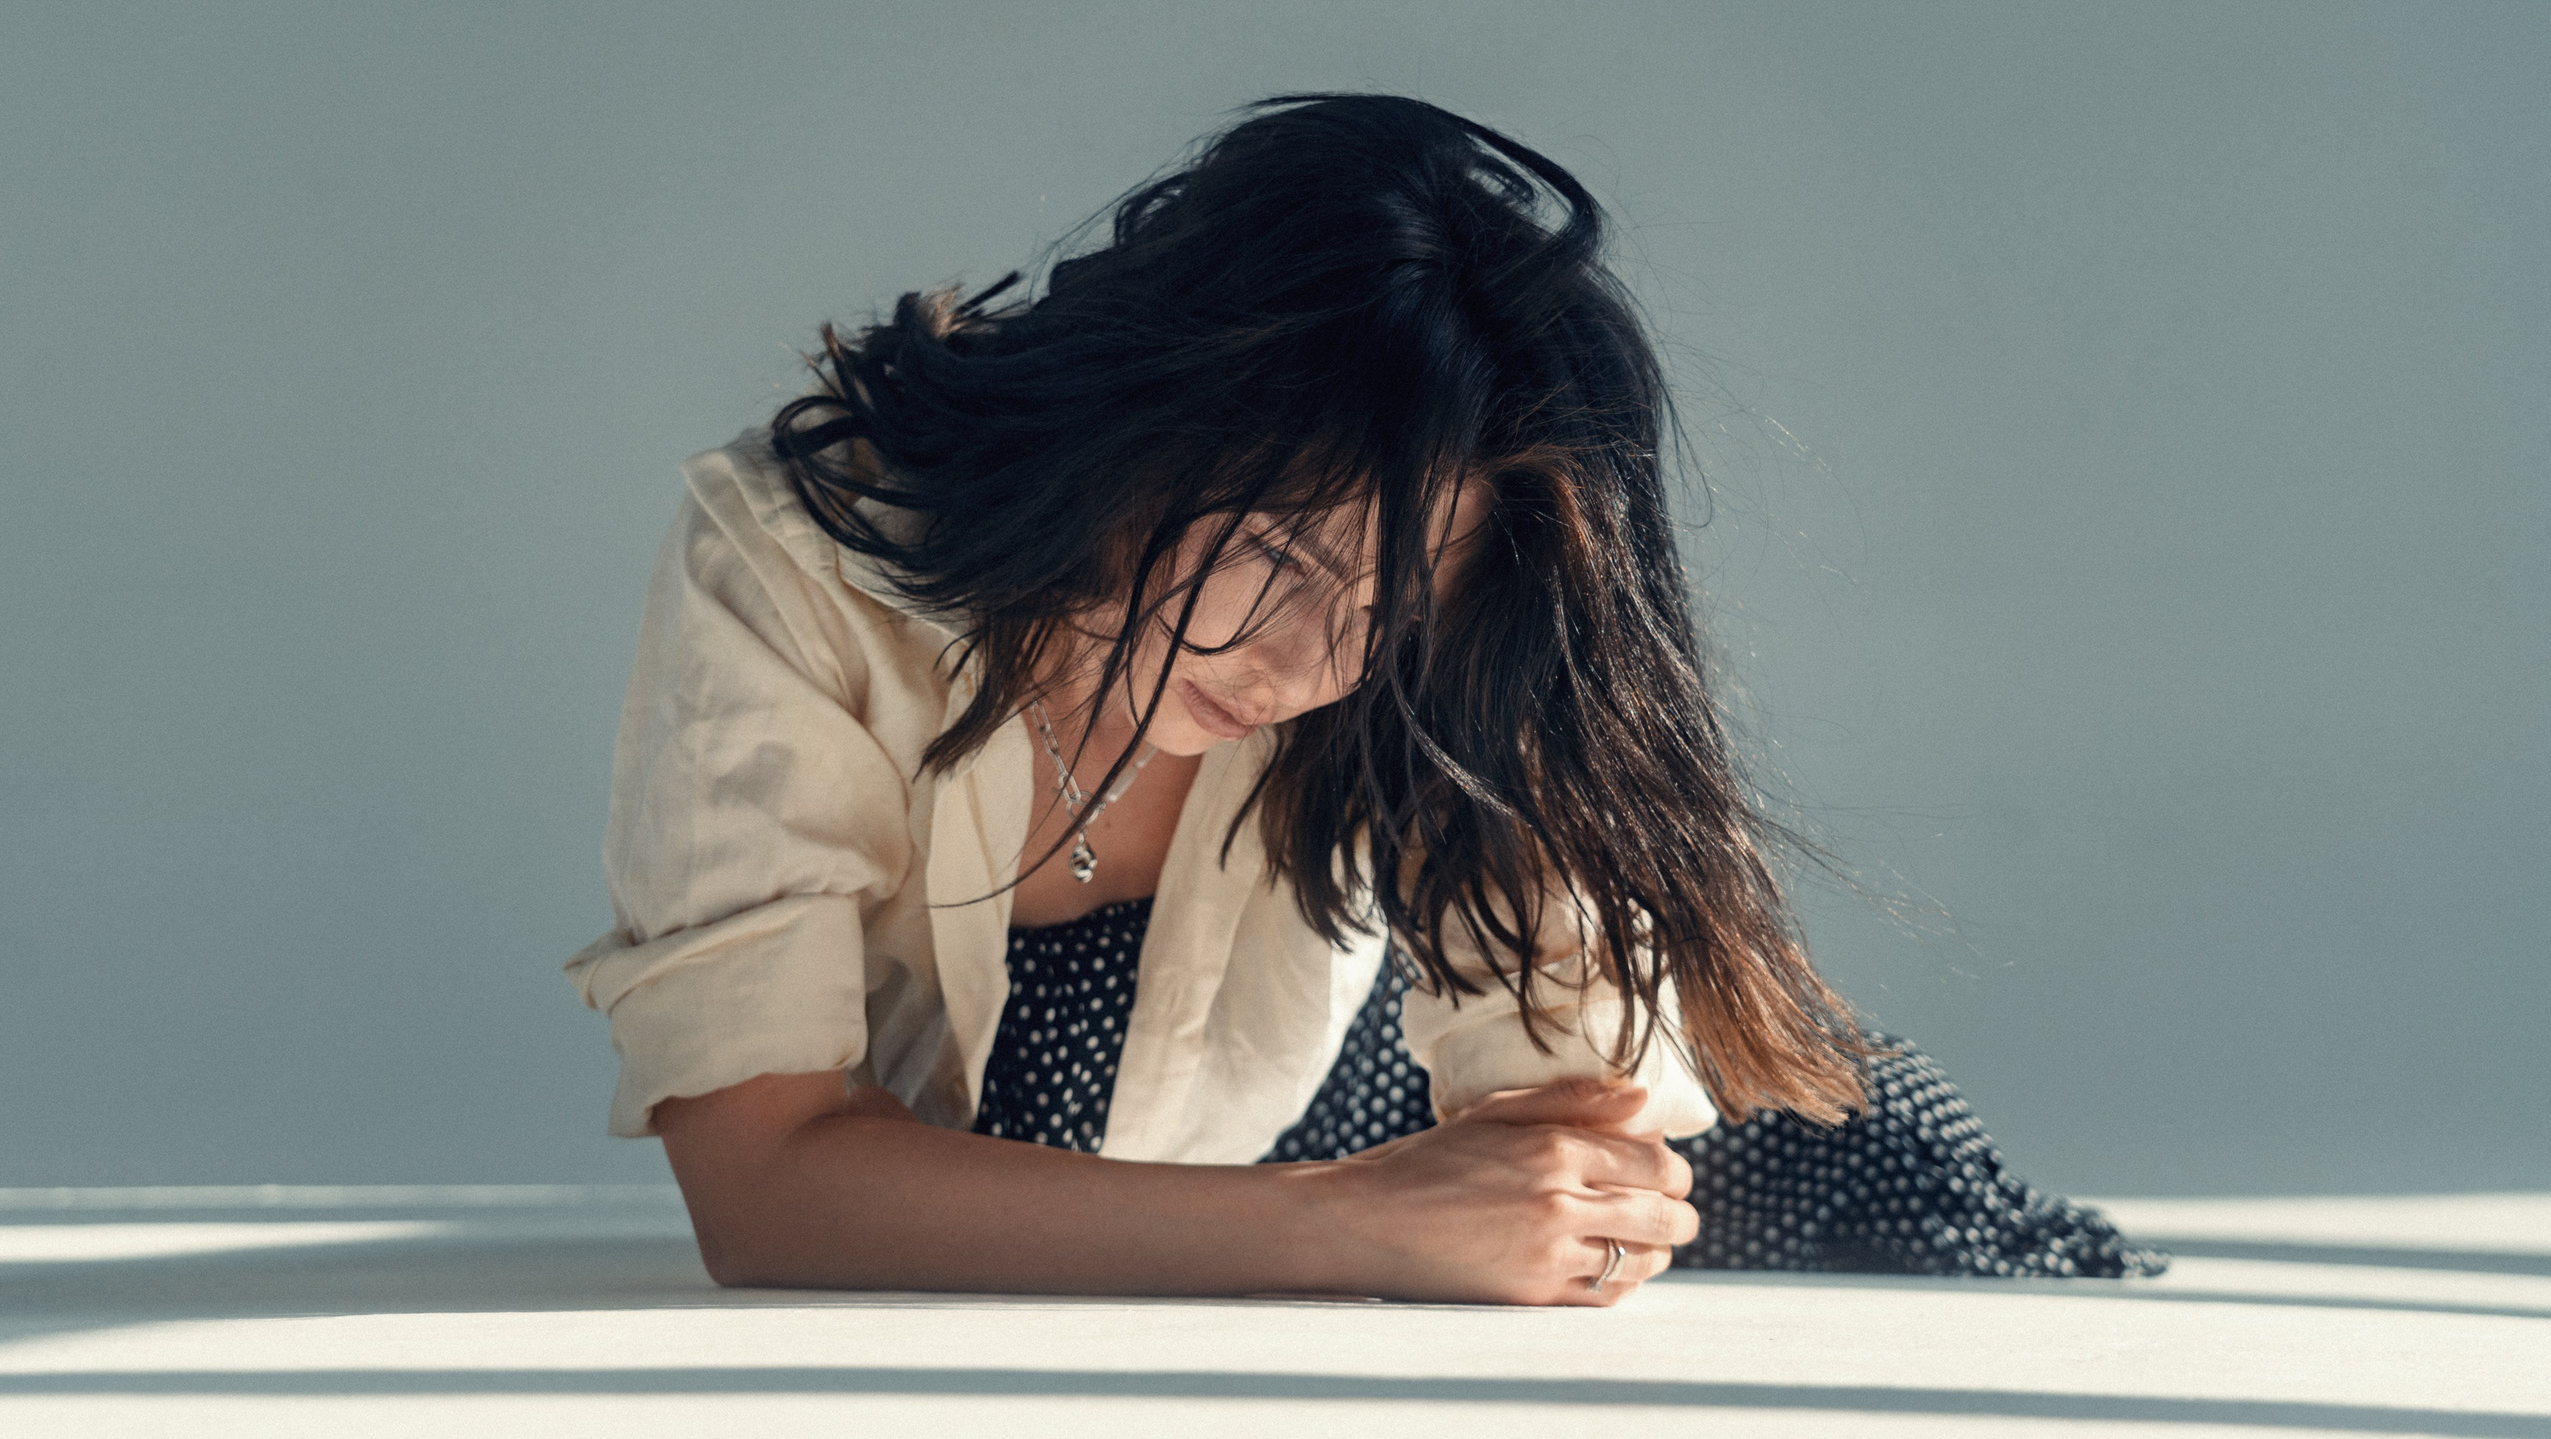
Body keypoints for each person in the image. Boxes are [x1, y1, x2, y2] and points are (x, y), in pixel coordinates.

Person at [566, 94, 2159, 1306]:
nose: (1302, 666)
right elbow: (765, 1197)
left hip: (1439, 1114)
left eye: (1385, 614)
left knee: (1910, 1198)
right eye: (1271, 556)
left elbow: (1570, 1146)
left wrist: (1503, 1207)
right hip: (1353, 1204)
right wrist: (1351, 1227)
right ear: (1136, 420)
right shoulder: (798, 561)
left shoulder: (1437, 653)